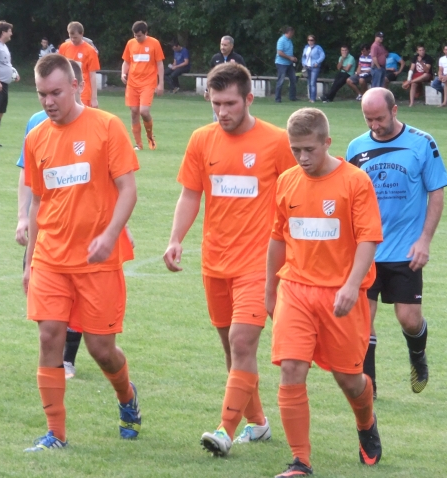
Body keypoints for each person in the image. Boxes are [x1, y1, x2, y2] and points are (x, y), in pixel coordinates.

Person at [163, 62, 295, 458]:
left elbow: (298, 196)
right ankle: (258, 423)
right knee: (232, 348)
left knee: (241, 341)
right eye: (216, 103)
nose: (222, 112)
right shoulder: (201, 140)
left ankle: (224, 429)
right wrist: (175, 238)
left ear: (249, 99)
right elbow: (191, 193)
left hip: (259, 265)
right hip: (215, 263)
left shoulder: (277, 142)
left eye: (230, 104)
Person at [21, 53, 141, 451]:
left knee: (101, 350)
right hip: (50, 258)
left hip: (97, 261)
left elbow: (128, 189)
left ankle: (127, 397)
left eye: (55, 92)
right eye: (41, 94)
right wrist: (29, 261)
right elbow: (38, 202)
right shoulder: (36, 137)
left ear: (76, 86)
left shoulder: (106, 126)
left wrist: (110, 235)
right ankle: (55, 433)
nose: (48, 101)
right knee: (49, 337)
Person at [267, 107, 383, 478]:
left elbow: (368, 239)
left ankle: (365, 422)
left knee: (350, 379)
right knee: (291, 368)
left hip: (341, 296)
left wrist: (351, 285)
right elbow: (277, 237)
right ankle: (300, 462)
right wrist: (271, 288)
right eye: (295, 150)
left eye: (309, 150)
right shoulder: (286, 182)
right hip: (296, 289)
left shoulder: (355, 181)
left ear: (327, 142)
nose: (302, 158)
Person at [347, 87, 447, 400]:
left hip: (406, 249)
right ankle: (369, 390)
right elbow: (349, 198)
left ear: (394, 110)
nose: (375, 125)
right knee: (363, 322)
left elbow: (436, 193)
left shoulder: (422, 143)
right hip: (366, 250)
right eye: (368, 119)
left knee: (409, 319)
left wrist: (424, 240)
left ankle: (417, 355)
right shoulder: (356, 148)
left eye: (380, 118)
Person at [121, 21, 164, 150]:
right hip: (132, 83)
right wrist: (123, 73)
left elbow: (160, 64)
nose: (137, 38)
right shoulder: (130, 43)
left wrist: (161, 83)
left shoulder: (154, 43)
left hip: (148, 83)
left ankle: (150, 137)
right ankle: (138, 144)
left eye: (139, 35)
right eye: (135, 35)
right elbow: (126, 61)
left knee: (144, 112)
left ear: (146, 33)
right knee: (134, 112)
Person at [59, 22, 101, 108]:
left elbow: (92, 75)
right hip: (67, 90)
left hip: (83, 92)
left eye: (75, 37)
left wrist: (94, 98)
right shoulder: (64, 47)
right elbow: (60, 69)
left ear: (82, 34)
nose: (73, 39)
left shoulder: (90, 51)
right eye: (70, 37)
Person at [274, 26, 298, 103]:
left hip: (289, 63)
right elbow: (280, 52)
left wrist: (293, 57)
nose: (293, 34)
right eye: (292, 33)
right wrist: (290, 58)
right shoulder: (281, 40)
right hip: (281, 63)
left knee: (293, 79)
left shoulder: (289, 41)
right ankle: (277, 98)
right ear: (289, 32)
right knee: (281, 80)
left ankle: (292, 97)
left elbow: (288, 52)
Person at [301, 34, 324, 102]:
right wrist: (303, 63)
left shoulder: (318, 47)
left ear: (314, 41)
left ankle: (313, 98)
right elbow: (303, 57)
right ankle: (311, 97)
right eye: (308, 40)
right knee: (309, 83)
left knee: (312, 82)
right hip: (307, 67)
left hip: (314, 67)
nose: (310, 41)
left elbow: (322, 56)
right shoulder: (306, 48)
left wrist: (317, 62)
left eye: (311, 40)